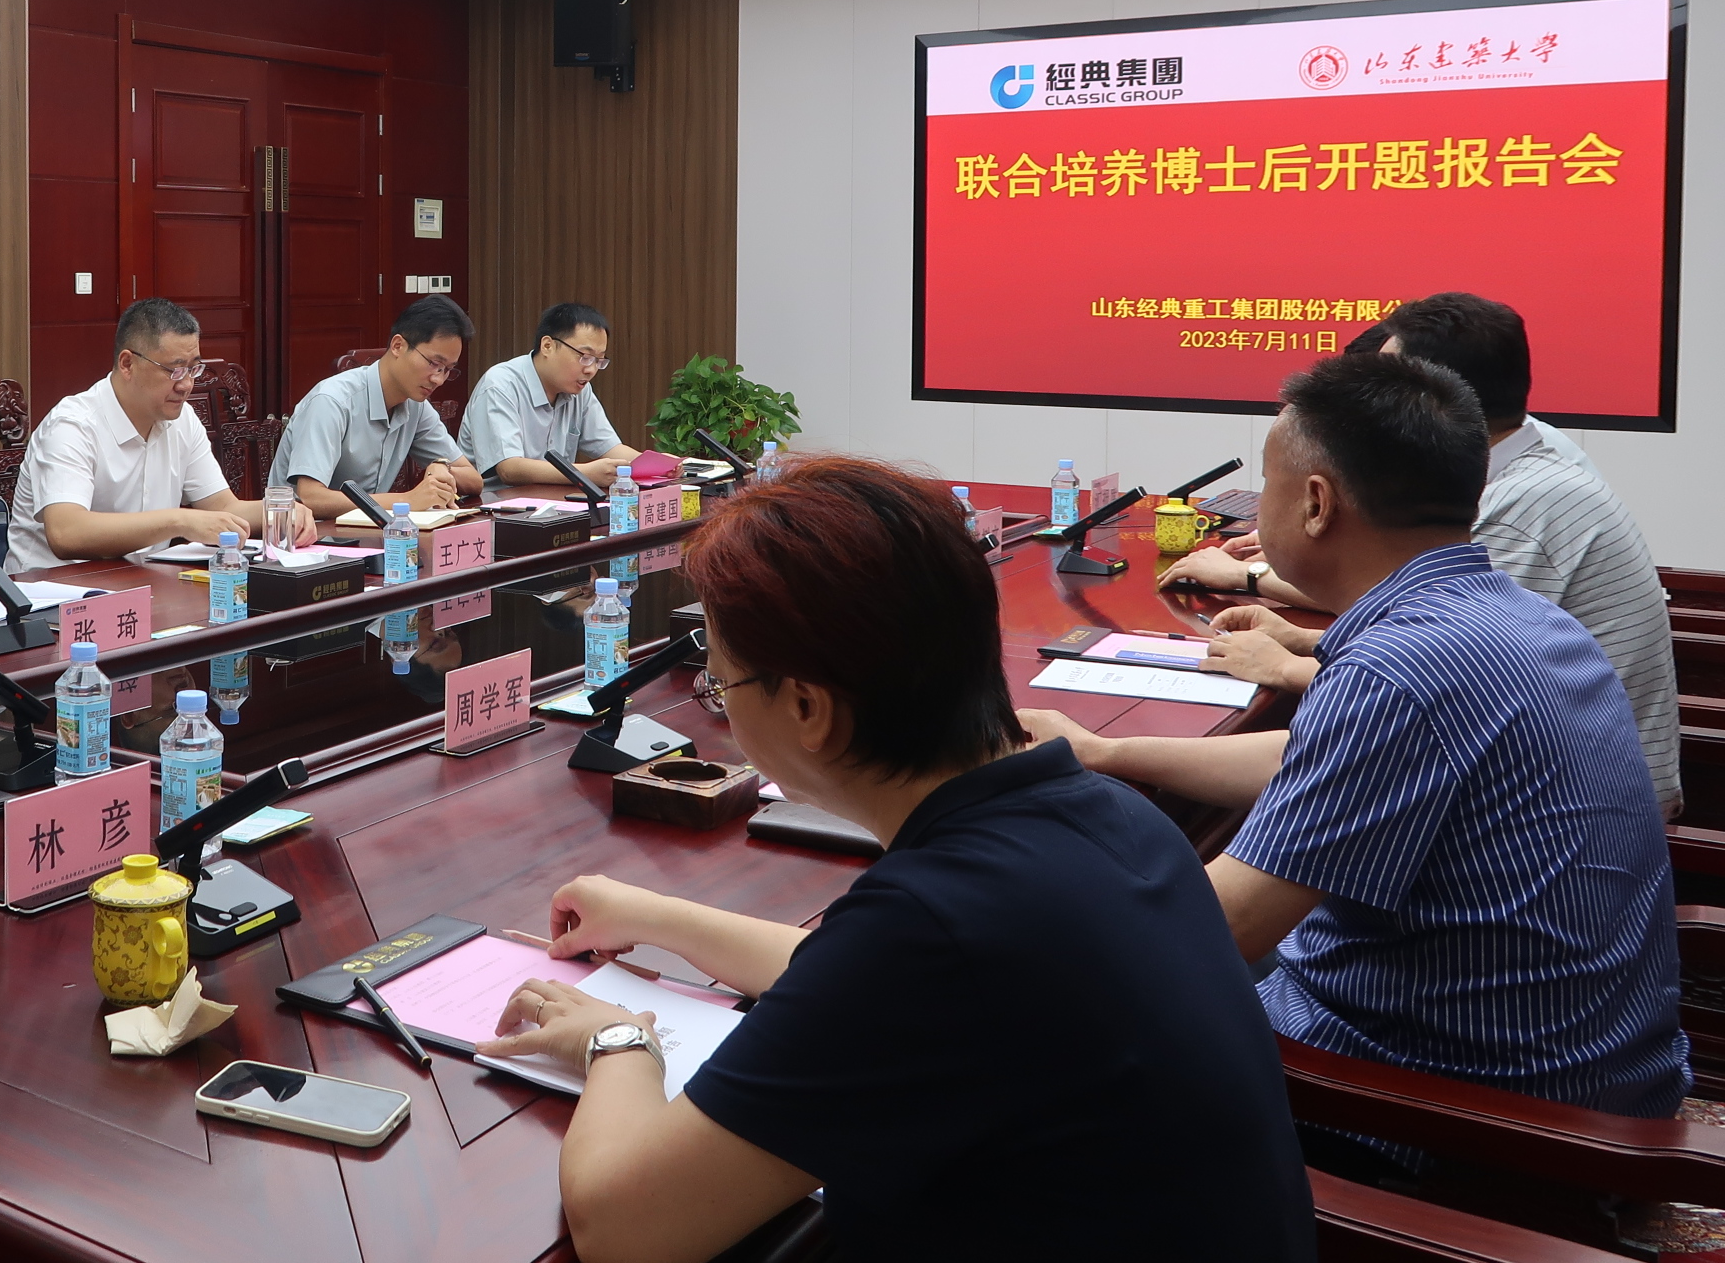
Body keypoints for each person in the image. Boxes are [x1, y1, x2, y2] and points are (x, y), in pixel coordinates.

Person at [474, 458, 1311, 1263]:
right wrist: (655, 918)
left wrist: (618, 1039)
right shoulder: (1105, 814)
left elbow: (625, 1228)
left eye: (720, 686)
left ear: (809, 709)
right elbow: (863, 979)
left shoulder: (933, 930)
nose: (719, 706)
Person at [1025, 354, 1686, 1158]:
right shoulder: (1514, 615)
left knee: (1050, 1024)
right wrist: (1105, 751)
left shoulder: (1398, 670)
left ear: (1315, 503)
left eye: (1267, 481)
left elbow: (1210, 930)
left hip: (1469, 1113)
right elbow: (1312, 759)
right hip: (1603, 1077)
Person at [1167, 293, 1679, 815]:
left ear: (1438, 398)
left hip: (1582, 797)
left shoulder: (1517, 506)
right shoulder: (1526, 469)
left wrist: (1284, 665)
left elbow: (1453, 686)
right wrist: (1303, 640)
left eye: (1384, 387)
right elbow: (1453, 663)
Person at [8, 299, 314, 571]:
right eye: (174, 370)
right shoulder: (72, 425)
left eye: (194, 369)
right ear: (127, 364)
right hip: (51, 593)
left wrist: (281, 511)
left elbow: (223, 508)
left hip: (139, 583)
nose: (186, 385)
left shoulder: (182, 419)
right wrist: (179, 520)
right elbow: (67, 533)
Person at [274, 295, 482, 524]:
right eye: (434, 363)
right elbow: (312, 497)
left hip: (367, 532)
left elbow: (474, 480)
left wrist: (441, 467)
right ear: (398, 346)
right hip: (304, 534)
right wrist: (407, 500)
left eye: (447, 369)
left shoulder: (416, 406)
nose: (438, 379)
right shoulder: (332, 401)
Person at [460, 302, 640, 488]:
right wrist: (584, 474)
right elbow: (510, 468)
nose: (591, 370)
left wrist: (655, 466)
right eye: (585, 357)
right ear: (548, 346)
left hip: (552, 501)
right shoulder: (500, 385)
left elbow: (611, 448)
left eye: (599, 361)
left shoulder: (580, 391)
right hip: (495, 501)